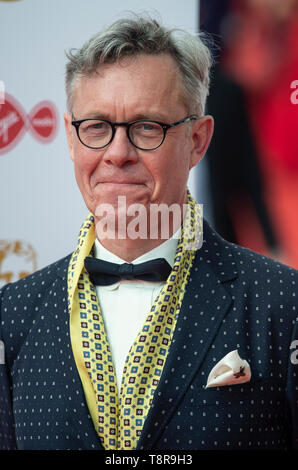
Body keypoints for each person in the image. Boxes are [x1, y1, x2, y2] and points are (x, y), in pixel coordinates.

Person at [0, 15, 297, 451]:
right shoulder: (13, 315)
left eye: (146, 128)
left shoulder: (282, 302)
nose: (117, 154)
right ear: (69, 137)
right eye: (96, 127)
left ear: (197, 140)